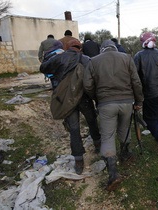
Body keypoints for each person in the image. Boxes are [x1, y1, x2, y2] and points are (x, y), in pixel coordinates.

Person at [83, 39, 143, 191]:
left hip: (106, 103)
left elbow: (88, 85)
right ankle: (125, 154)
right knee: (124, 129)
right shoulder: (127, 57)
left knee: (108, 136)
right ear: (115, 48)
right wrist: (139, 101)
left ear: (102, 49)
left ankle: (113, 174)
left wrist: (97, 98)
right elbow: (136, 81)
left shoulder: (93, 61)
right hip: (126, 102)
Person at [40, 39, 101, 175]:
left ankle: (79, 161)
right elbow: (94, 79)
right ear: (80, 48)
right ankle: (98, 145)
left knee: (74, 129)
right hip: (84, 98)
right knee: (92, 121)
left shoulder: (59, 58)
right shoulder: (86, 59)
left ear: (66, 47)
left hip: (67, 100)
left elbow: (43, 68)